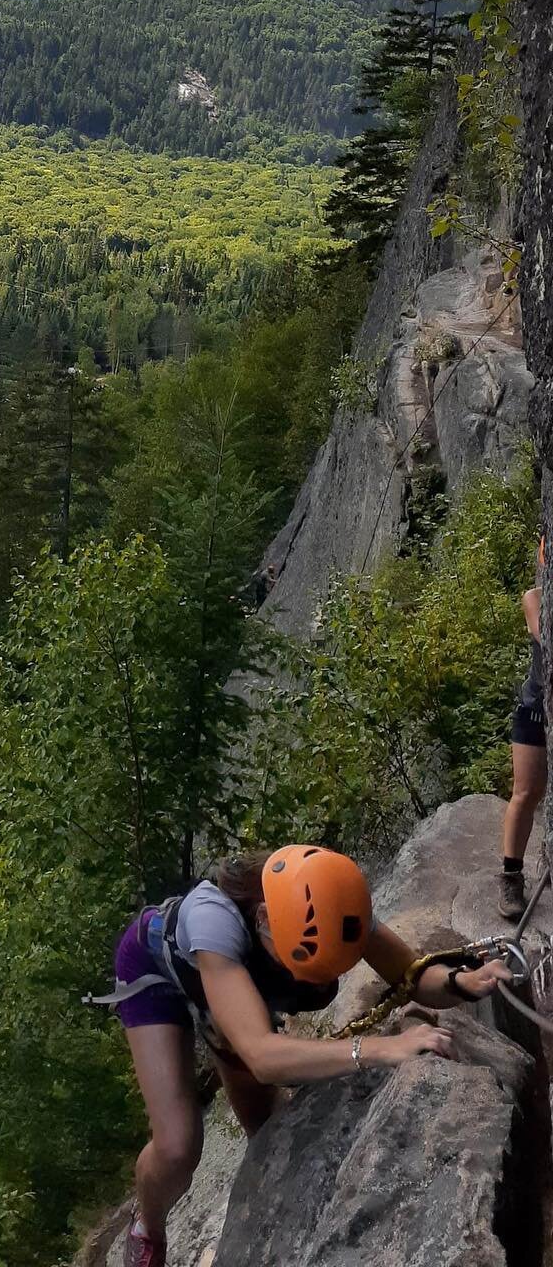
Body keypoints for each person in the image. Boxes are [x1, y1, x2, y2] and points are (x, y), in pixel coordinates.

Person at [101, 845, 512, 1267]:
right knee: (177, 1146)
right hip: (155, 974)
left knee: (267, 1130)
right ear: (263, 919)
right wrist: (379, 1049)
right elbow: (262, 1055)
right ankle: (146, 1228)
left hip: (234, 984)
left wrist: (464, 980)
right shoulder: (215, 921)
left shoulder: (334, 903)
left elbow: (412, 975)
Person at [500, 541, 545, 921]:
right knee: (526, 792)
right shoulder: (535, 597)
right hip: (535, 709)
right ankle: (511, 877)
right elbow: (542, 633)